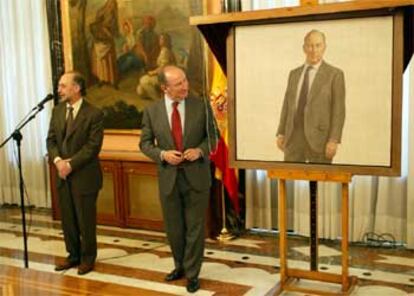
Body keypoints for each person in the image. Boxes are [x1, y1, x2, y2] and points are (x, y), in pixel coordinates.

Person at [139, 65, 216, 293]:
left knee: (195, 228)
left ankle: (193, 274)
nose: (185, 86)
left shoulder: (201, 106)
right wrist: (162, 154)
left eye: (185, 80)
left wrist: (200, 151)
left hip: (197, 177)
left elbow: (213, 137)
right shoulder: (151, 111)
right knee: (174, 228)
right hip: (169, 178)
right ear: (164, 88)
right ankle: (179, 266)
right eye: (178, 83)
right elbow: (144, 144)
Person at [46, 71, 104, 275]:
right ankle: (73, 255)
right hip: (62, 175)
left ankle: (88, 259)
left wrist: (71, 164)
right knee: (68, 219)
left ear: (77, 88)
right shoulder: (57, 111)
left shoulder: (94, 113)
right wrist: (58, 161)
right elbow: (51, 140)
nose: (59, 89)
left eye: (63, 85)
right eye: (59, 85)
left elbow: (92, 147)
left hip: (84, 175)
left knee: (85, 220)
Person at [276, 29, 345, 163]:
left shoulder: (335, 75)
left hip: (320, 140)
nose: (314, 50)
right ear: (304, 48)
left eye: (318, 45)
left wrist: (334, 140)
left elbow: (339, 111)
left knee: (319, 179)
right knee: (290, 176)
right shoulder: (294, 74)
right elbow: (287, 105)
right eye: (310, 45)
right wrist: (281, 132)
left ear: (324, 47)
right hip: (293, 139)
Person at [136, 33, 177, 100]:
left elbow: (163, 68)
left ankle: (157, 99)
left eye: (161, 39)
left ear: (166, 41)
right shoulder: (164, 50)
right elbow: (161, 64)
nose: (159, 40)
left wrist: (152, 72)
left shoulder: (165, 51)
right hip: (162, 75)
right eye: (160, 38)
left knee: (143, 80)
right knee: (140, 90)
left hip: (165, 77)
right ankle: (155, 95)